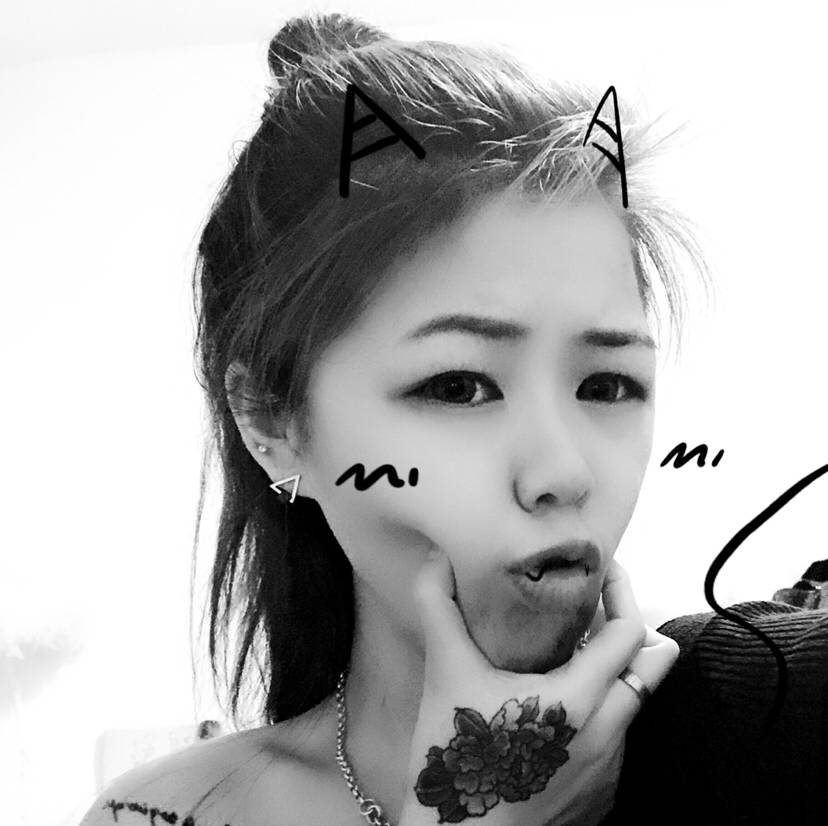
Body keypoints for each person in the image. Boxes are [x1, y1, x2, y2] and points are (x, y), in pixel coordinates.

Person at [80, 11, 827, 826]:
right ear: (273, 422)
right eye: (459, 387)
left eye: (608, 385)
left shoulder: (765, 717)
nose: (564, 472)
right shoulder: (157, 814)